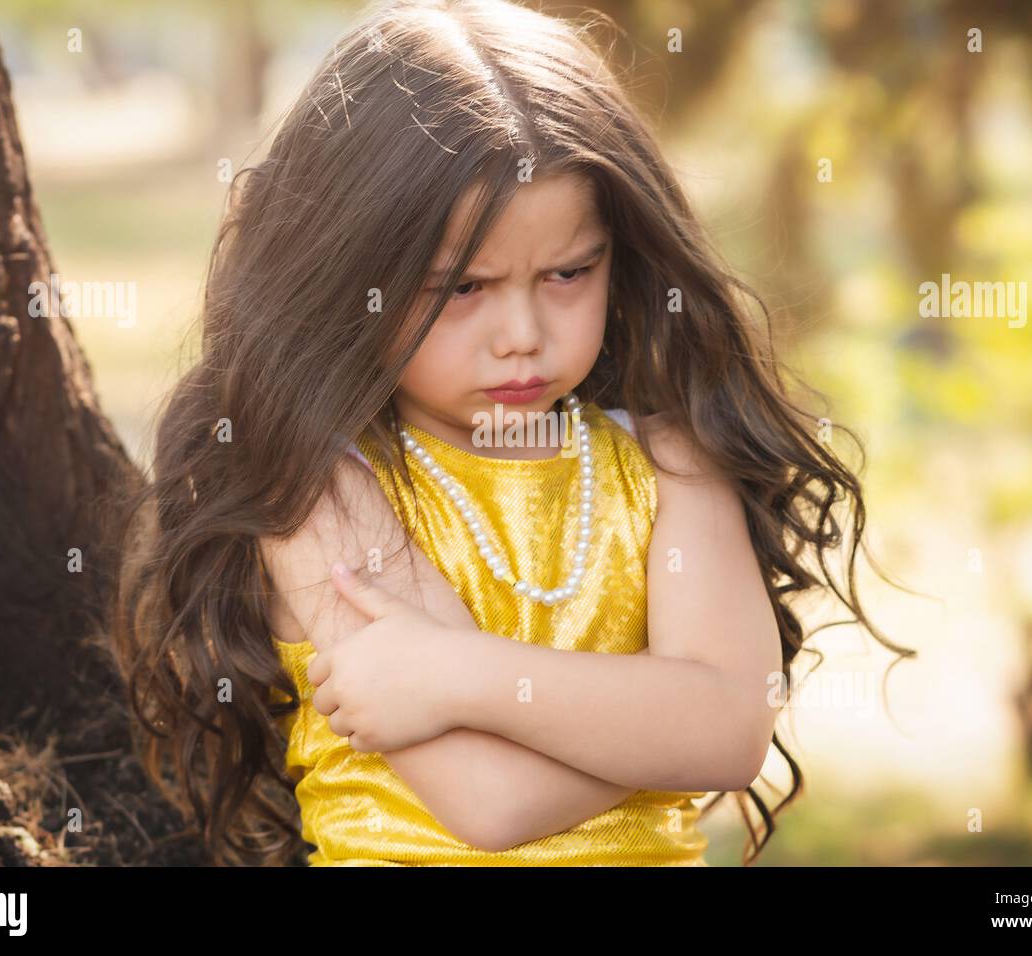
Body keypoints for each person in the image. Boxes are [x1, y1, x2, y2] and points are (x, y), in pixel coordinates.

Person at [111, 0, 893, 867]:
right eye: (461, 288)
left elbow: (731, 739)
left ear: (618, 256)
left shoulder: (673, 465)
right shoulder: (318, 487)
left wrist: (453, 675)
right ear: (350, 273)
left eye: (568, 272)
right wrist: (664, 725)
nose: (521, 333)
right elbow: (492, 801)